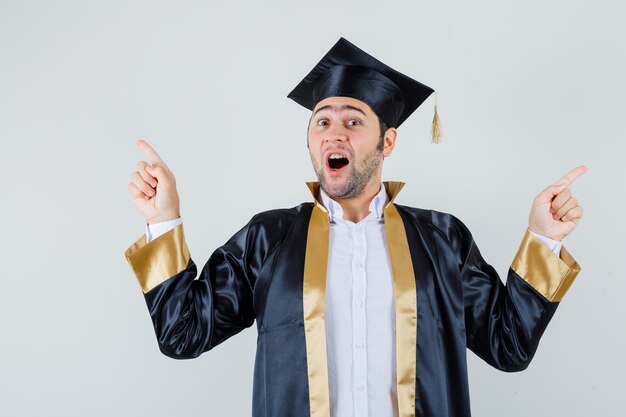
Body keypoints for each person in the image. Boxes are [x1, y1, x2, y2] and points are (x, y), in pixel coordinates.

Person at [125, 38, 585, 417]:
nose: (334, 133)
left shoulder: (442, 239)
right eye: (321, 121)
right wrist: (163, 219)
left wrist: (543, 237)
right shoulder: (269, 239)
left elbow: (509, 347)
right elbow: (182, 333)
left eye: (352, 120)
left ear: (388, 141)